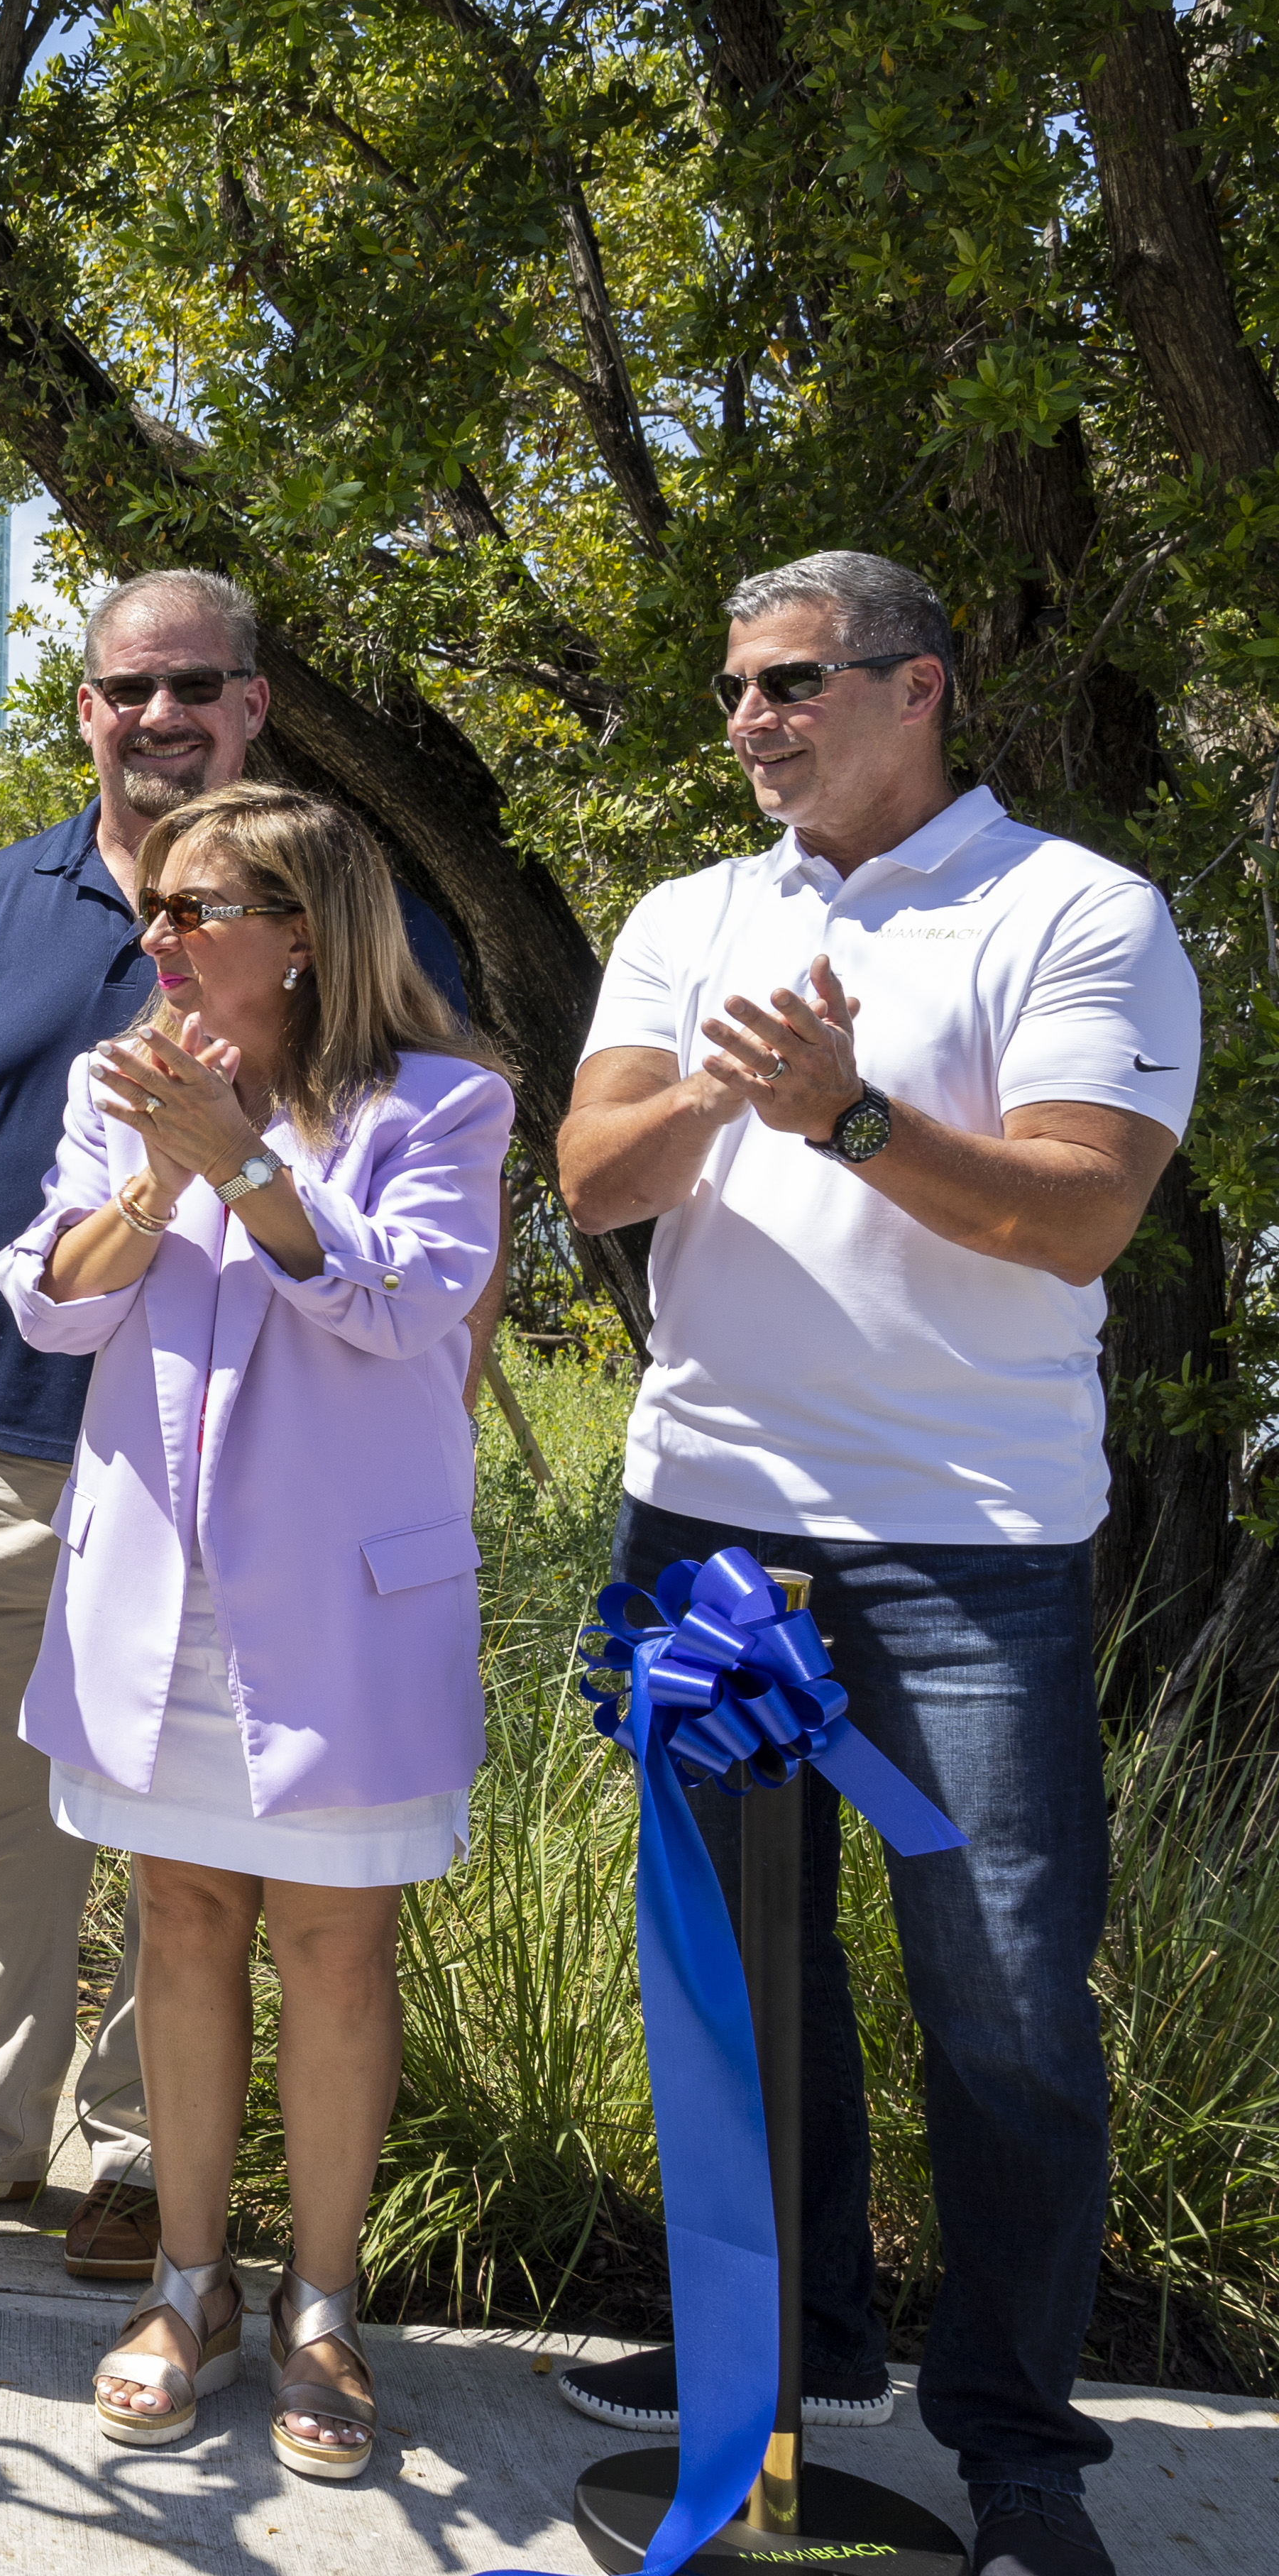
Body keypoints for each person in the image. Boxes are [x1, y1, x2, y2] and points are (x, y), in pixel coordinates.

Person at [558, 552, 1192, 2576]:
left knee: (1004, 2002)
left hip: (968, 1545)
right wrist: (713, 1113)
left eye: (791, 684)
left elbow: (1082, 1216)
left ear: (921, 686)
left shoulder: (1074, 911)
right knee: (737, 1978)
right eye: (734, 689)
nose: (748, 721)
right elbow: (589, 1180)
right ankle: (787, 2354)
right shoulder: (690, 916)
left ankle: (1018, 2452)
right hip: (711, 1518)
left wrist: (844, 1119)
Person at [0, 566, 481, 2281]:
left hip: (275, 1475)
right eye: (128, 689)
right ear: (85, 711)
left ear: (254, 704)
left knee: (182, 1844)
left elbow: (433, 1257)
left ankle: (141, 2159)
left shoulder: (369, 927)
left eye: (195, 683)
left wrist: (430, 1429)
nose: (159, 715)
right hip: (16, 1429)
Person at [0, 783, 507, 2477]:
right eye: (159, 909)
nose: (160, 938)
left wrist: (254, 1167)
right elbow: (52, 1303)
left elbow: (405, 1302)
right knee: (186, 1926)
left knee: (338, 1952)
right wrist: (158, 1177)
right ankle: (190, 2282)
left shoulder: (444, 1102)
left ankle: (324, 2308)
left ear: (303, 931)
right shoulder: (119, 1084)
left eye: (198, 909)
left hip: (345, 1614)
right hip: (163, 1599)